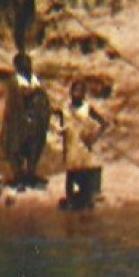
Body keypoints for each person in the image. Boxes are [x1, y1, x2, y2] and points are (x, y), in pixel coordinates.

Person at [1, 52, 51, 191]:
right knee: (16, 148)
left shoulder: (36, 79)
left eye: (27, 63)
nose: (26, 66)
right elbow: (15, 101)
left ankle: (31, 175)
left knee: (34, 149)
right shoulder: (14, 81)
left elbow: (43, 98)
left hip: (36, 121)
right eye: (23, 64)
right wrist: (31, 93)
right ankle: (18, 177)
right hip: (19, 122)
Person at [56, 79, 107, 211]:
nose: (77, 94)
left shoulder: (87, 108)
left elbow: (103, 124)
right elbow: (62, 128)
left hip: (83, 147)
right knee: (70, 176)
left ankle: (85, 200)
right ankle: (70, 200)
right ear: (71, 92)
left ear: (84, 94)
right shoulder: (65, 108)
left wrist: (93, 138)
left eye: (80, 91)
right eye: (75, 91)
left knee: (84, 176)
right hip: (70, 147)